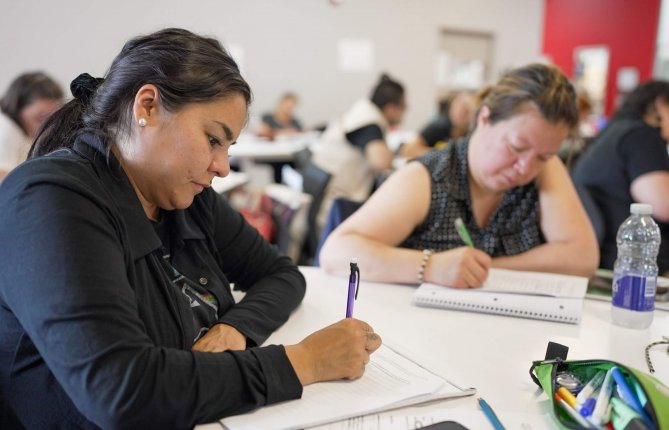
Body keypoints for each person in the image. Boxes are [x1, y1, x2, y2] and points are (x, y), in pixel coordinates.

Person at [0, 28, 381, 429]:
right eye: (213, 139)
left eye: (228, 148)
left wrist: (235, 329)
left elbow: (281, 273)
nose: (223, 166)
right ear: (146, 106)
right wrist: (305, 361)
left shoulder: (184, 200)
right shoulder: (51, 199)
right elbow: (123, 390)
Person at [320, 63, 599, 287]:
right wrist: (430, 267)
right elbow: (336, 253)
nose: (526, 168)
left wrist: (482, 269)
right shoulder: (429, 178)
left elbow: (583, 259)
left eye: (543, 156)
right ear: (484, 118)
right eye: (516, 147)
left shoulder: (545, 171)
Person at [572, 80, 669, 276]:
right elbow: (663, 205)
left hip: (608, 255)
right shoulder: (642, 136)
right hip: (632, 265)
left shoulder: (613, 131)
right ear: (660, 105)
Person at [311, 73, 406, 229]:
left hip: (329, 199)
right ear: (391, 108)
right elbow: (381, 162)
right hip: (335, 210)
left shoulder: (362, 111)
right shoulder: (369, 122)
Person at [0, 71, 63, 181]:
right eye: (39, 118)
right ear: (17, 107)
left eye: (52, 119)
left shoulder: (24, 131)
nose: (47, 127)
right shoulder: (5, 129)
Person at [400, 90, 475, 159]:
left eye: (466, 110)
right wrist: (440, 154)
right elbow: (408, 150)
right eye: (458, 106)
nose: (460, 112)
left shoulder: (472, 134)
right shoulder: (439, 126)